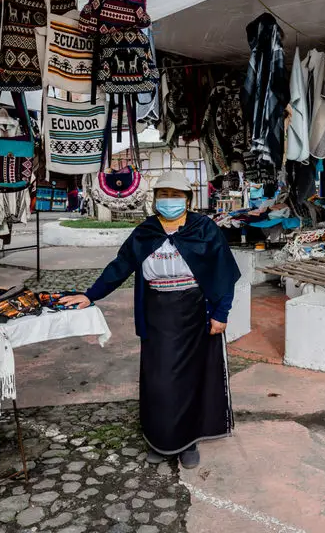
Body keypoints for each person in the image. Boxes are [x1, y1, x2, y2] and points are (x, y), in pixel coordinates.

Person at [60, 171, 241, 469]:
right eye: (164, 195)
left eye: (176, 195)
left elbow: (223, 274)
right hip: (157, 315)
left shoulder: (204, 229)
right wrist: (91, 295)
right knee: (159, 380)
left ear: (188, 199)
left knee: (189, 379)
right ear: (155, 199)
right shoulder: (146, 232)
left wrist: (221, 314)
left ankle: (187, 440)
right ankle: (160, 437)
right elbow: (120, 266)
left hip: (194, 313)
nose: (170, 201)